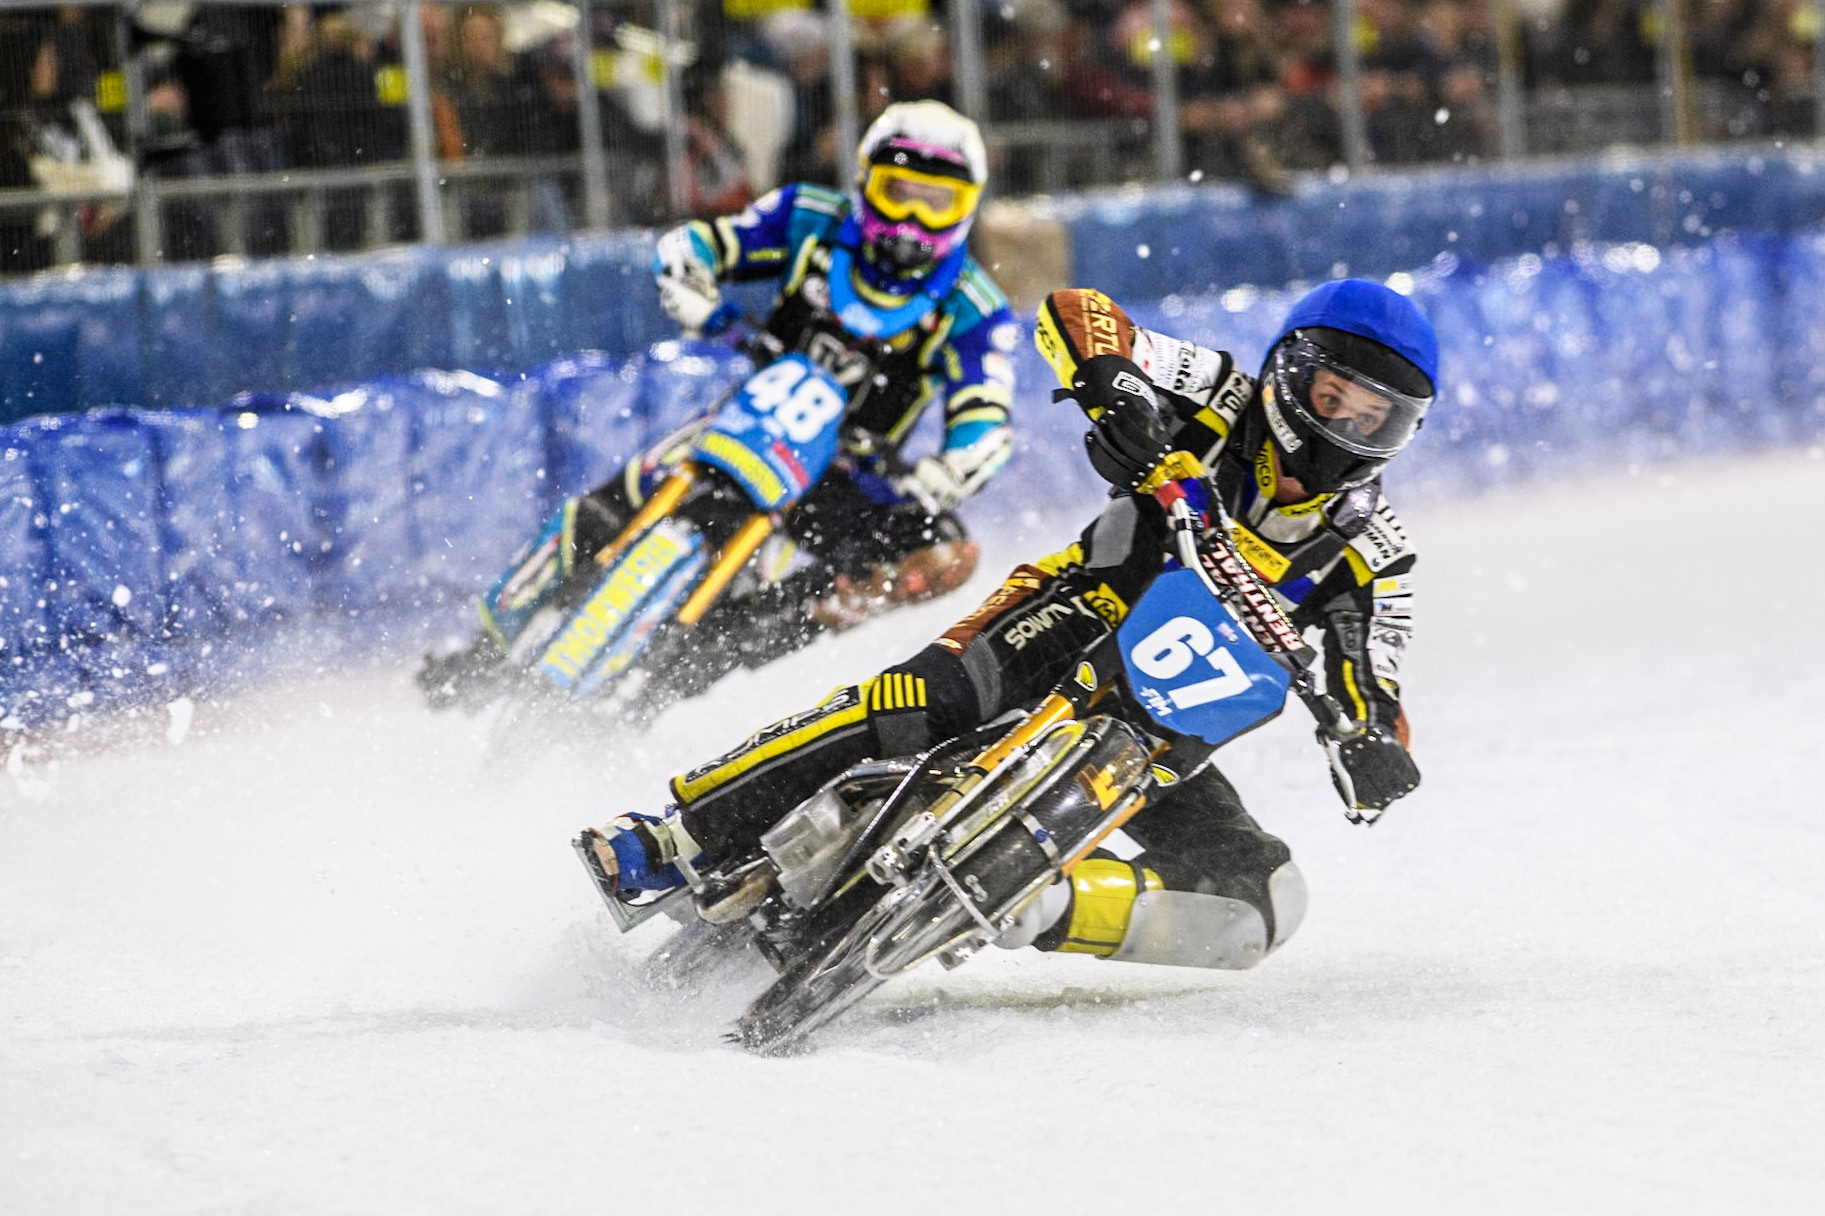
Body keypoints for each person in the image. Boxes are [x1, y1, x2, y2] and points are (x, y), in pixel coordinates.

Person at [582, 276, 1434, 974]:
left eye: (1374, 418)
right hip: (1072, 613)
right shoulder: (1219, 393)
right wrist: (1124, 403)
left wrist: (1370, 741)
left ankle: (1036, 903)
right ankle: (679, 836)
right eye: (1334, 397)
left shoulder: (1376, 552)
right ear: (1291, 372)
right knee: (920, 700)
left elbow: (1373, 676)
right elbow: (1079, 313)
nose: (1346, 427)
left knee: (1266, 900)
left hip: (1164, 735)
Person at [421, 100, 1018, 711]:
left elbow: (984, 407)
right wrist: (692, 278)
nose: (913, 219)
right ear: (867, 182)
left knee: (945, 556)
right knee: (601, 511)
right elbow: (713, 242)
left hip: (850, 471)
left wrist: (956, 464)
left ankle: (705, 657)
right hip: (749, 420)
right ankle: (487, 651)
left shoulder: (976, 309)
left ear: (965, 207)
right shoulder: (807, 216)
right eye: (899, 193)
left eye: (934, 200)